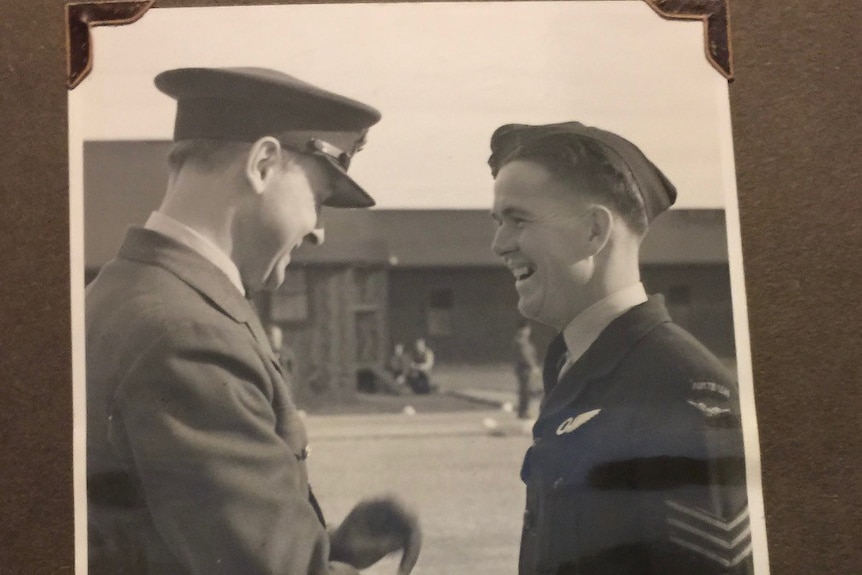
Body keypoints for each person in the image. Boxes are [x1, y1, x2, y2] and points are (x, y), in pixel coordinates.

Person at [86, 67, 420, 575]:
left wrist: (334, 549)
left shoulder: (122, 294)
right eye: (319, 200)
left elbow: (178, 538)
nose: (319, 232)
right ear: (263, 163)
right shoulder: (187, 335)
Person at [488, 122, 752, 574]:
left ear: (594, 230)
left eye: (519, 219)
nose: (498, 244)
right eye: (499, 223)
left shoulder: (681, 386)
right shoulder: (576, 364)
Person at [513, 320, 541, 419]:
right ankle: (523, 412)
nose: (528, 331)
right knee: (525, 391)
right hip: (524, 369)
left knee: (527, 391)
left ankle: (523, 411)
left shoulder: (526, 341)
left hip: (526, 369)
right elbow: (525, 355)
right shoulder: (521, 341)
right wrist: (533, 366)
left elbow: (531, 354)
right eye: (526, 329)